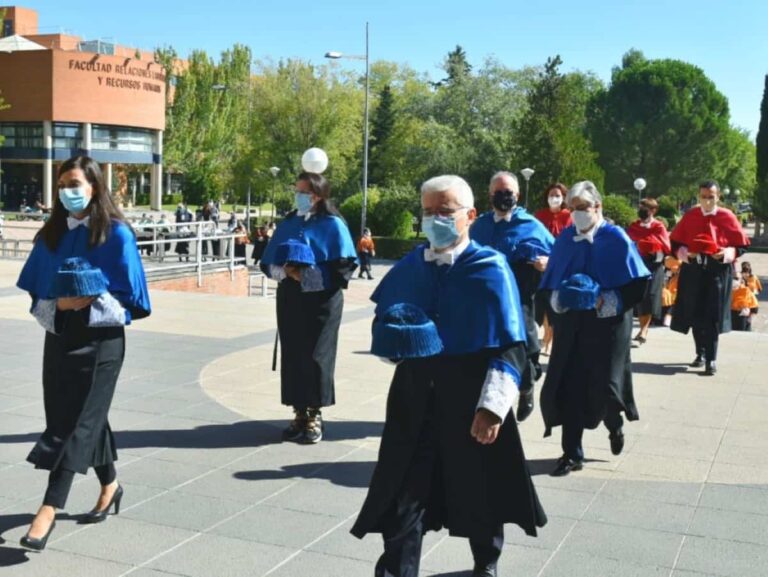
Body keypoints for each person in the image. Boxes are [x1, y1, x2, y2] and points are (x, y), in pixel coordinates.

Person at [352, 175, 546, 577]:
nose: (434, 219)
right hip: (414, 396)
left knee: (481, 487)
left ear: (470, 215)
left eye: (445, 211)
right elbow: (387, 326)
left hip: (473, 398)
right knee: (405, 493)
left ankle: (485, 563)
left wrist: (493, 407)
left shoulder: (491, 269)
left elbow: (511, 345)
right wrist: (394, 340)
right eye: (427, 212)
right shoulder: (410, 267)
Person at [15, 156, 151, 550]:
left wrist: (90, 299)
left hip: (102, 340)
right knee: (76, 415)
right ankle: (111, 484)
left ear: (94, 186)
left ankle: (49, 507)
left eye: (74, 183)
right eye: (61, 185)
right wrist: (60, 306)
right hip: (60, 334)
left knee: (76, 422)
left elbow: (133, 300)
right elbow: (37, 287)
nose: (67, 192)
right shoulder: (52, 235)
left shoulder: (117, 235)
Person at [539, 181, 650, 477]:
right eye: (572, 208)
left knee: (606, 386)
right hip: (574, 324)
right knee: (570, 384)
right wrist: (559, 300)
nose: (577, 214)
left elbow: (638, 284)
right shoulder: (564, 240)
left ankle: (614, 424)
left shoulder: (616, 238)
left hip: (609, 324)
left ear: (597, 207)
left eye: (583, 208)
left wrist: (607, 300)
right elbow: (550, 283)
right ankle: (571, 453)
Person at [260, 172, 357, 444]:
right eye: (297, 190)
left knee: (317, 355)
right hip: (290, 298)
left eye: (303, 191)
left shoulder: (333, 224)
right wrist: (286, 272)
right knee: (293, 353)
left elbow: (343, 268)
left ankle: (315, 413)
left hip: (322, 301)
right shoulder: (289, 222)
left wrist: (306, 276)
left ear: (317, 194)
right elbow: (268, 260)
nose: (298, 195)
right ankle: (298, 412)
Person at [470, 171, 554, 422]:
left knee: (524, 347)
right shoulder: (480, 225)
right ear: (489, 195)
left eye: (508, 192)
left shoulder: (531, 225)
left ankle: (527, 386)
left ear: (517, 195)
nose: (503, 197)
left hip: (519, 298)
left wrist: (546, 262)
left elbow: (557, 257)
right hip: (483, 299)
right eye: (498, 192)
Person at [669, 180, 750, 375]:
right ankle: (701, 353)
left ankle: (711, 359)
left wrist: (726, 253)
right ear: (699, 196)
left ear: (718, 196)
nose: (707, 201)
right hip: (693, 272)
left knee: (712, 316)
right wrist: (685, 253)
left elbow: (741, 245)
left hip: (717, 272)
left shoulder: (726, 216)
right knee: (696, 313)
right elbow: (675, 242)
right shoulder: (691, 216)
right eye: (703, 197)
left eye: (711, 197)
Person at [534, 183, 573, 356]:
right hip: (539, 267)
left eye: (558, 195)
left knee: (554, 305)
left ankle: (550, 340)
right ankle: (545, 337)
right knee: (540, 304)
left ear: (564, 197)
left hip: (560, 268)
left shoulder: (569, 216)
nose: (554, 198)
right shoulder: (540, 215)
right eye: (551, 194)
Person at [626, 198, 671, 344]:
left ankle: (644, 330)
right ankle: (641, 328)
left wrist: (651, 245)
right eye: (641, 206)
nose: (642, 209)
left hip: (653, 265)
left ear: (653, 211)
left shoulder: (658, 227)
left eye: (646, 207)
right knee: (640, 297)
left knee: (650, 297)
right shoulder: (634, 226)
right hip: (637, 265)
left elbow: (666, 246)